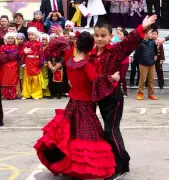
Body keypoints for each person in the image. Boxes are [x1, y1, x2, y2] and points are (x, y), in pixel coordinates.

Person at [34, 30, 118, 179]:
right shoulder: (86, 65)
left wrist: (63, 37)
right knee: (88, 135)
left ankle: (68, 164)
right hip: (85, 105)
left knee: (71, 133)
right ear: (90, 47)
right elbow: (97, 81)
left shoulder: (69, 60)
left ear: (76, 45)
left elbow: (53, 46)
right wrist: (113, 76)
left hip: (72, 103)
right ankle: (83, 168)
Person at [90, 15, 157, 179]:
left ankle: (121, 165)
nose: (99, 39)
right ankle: (114, 161)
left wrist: (142, 27)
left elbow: (129, 42)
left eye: (103, 35)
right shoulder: (90, 53)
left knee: (111, 130)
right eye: (97, 35)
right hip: (96, 96)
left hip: (113, 96)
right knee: (100, 131)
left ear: (110, 36)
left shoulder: (115, 51)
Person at [21, 27, 44, 100]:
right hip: (28, 63)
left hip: (36, 63)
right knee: (27, 80)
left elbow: (41, 54)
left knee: (36, 80)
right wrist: (23, 62)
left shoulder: (39, 44)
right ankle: (26, 94)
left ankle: (36, 94)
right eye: (29, 34)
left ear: (36, 35)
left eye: (32, 34)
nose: (30, 36)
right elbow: (22, 55)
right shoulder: (26, 43)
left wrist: (41, 63)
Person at [136, 29, 158, 100]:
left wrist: (155, 55)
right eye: (150, 33)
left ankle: (151, 94)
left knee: (151, 79)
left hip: (152, 63)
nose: (152, 35)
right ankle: (140, 93)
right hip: (143, 64)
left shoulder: (153, 42)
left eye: (152, 33)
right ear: (145, 34)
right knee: (142, 80)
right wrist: (140, 61)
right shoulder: (140, 43)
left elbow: (155, 50)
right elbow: (137, 54)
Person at [0, 33, 19, 100]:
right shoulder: (2, 46)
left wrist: (6, 55)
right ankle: (5, 95)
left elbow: (14, 56)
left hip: (13, 66)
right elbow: (1, 57)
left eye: (12, 38)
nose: (10, 40)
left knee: (12, 80)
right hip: (4, 66)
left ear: (14, 39)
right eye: (9, 38)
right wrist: (9, 56)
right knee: (5, 80)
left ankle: (12, 95)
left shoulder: (16, 47)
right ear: (6, 39)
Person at [40, 33, 51, 98]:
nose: (44, 41)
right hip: (40, 64)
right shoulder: (40, 47)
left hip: (46, 64)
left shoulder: (49, 48)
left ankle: (47, 92)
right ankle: (41, 92)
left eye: (45, 40)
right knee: (41, 77)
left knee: (46, 77)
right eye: (43, 39)